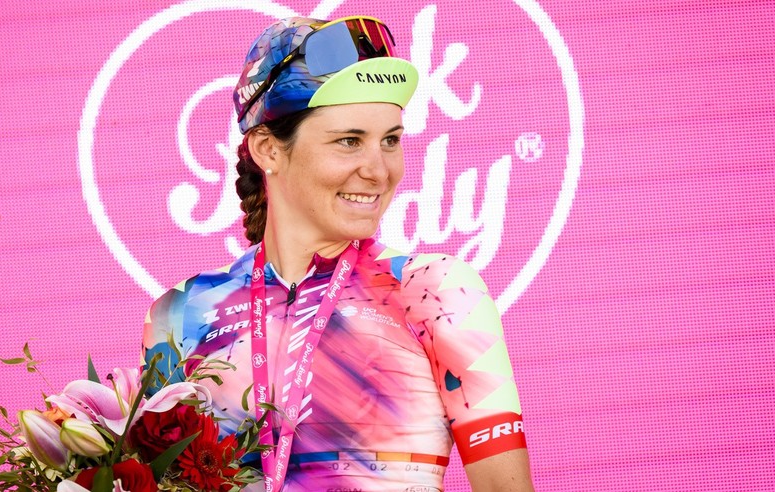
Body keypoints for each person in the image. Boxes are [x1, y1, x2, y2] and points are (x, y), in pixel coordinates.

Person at [142, 16, 534, 492]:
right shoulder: (181, 312)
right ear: (267, 149)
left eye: (390, 140)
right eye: (349, 141)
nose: (379, 170)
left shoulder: (434, 289)